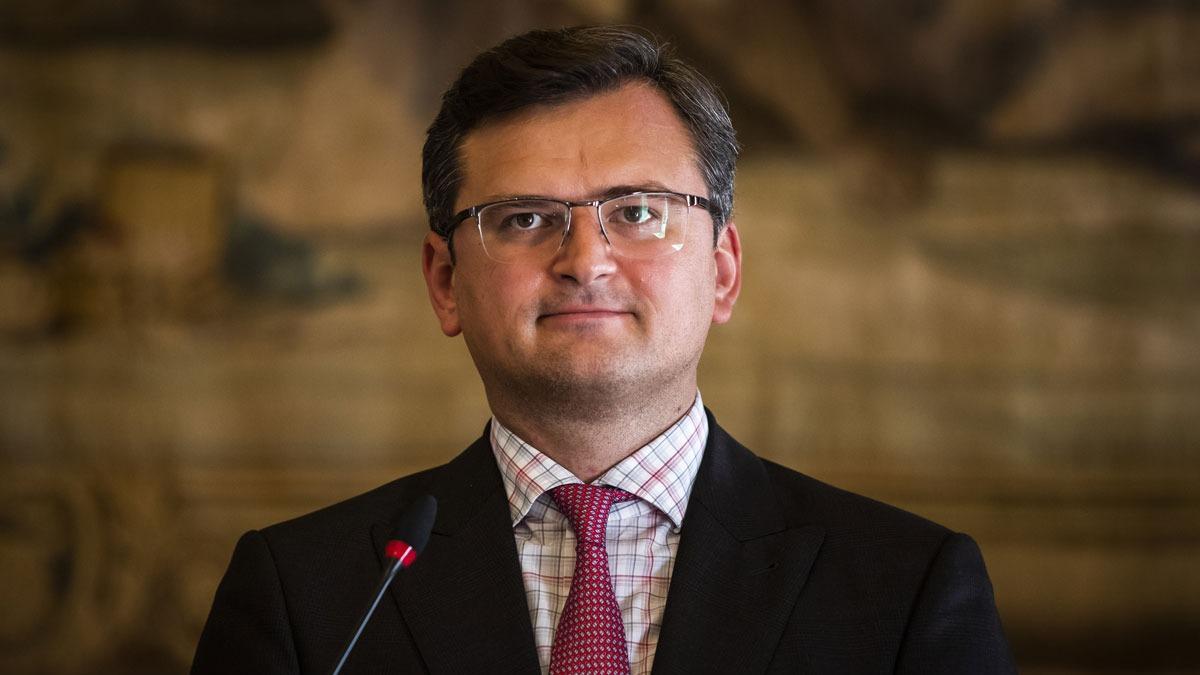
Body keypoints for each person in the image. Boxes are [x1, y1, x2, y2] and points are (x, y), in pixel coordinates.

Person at [192, 26, 1015, 674]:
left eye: (638, 212)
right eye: (524, 218)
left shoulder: (907, 587)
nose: (585, 260)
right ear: (444, 282)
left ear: (724, 271)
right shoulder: (307, 594)